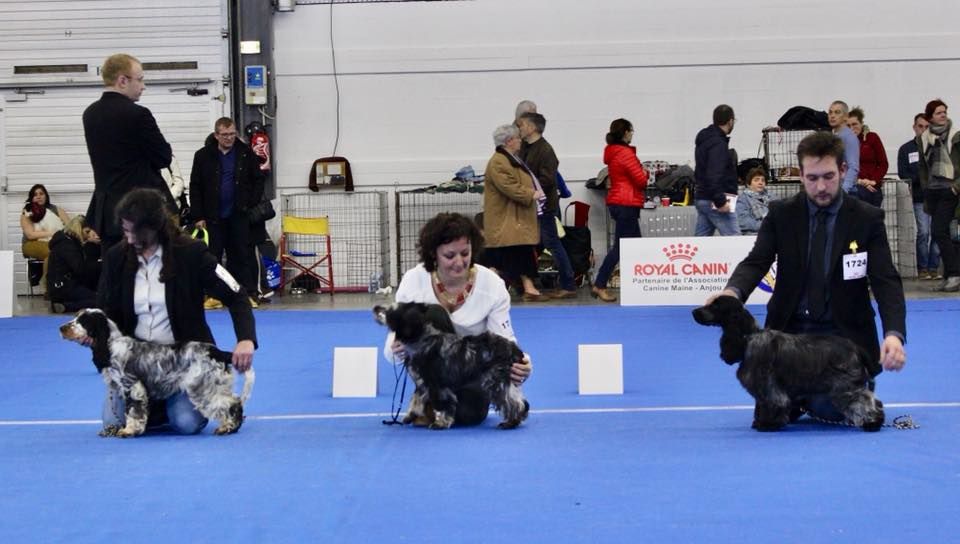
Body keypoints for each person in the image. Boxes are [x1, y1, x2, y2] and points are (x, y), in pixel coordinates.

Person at [710, 131, 906, 421]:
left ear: (843, 170)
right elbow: (756, 261)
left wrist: (894, 335)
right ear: (800, 175)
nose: (821, 186)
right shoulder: (781, 214)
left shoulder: (867, 218)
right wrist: (732, 293)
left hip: (842, 340)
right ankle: (801, 399)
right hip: (788, 338)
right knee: (774, 413)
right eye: (812, 178)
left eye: (828, 176)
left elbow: (885, 280)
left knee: (832, 409)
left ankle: (819, 398)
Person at [96, 188, 257, 434]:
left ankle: (162, 409)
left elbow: (236, 295)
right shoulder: (116, 257)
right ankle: (152, 408)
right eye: (125, 231)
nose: (128, 239)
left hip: (185, 363)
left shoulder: (192, 253)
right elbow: (105, 311)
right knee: (112, 422)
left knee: (186, 423)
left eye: (133, 232)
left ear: (152, 228)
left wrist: (245, 339)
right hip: (136, 364)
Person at [384, 212, 532, 426]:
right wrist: (397, 347)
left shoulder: (492, 285)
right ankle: (428, 394)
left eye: (465, 253)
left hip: (471, 369)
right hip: (431, 368)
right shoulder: (413, 281)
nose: (459, 262)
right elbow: (392, 344)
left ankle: (438, 403)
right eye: (449, 255)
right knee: (431, 314)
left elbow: (503, 339)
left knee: (469, 416)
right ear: (433, 254)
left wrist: (524, 364)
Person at [83, 53, 175, 248]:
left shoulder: (90, 114)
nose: (143, 86)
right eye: (140, 79)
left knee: (115, 270)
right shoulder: (138, 115)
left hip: (107, 215)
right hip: (141, 214)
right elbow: (163, 157)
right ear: (122, 81)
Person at [189, 117, 266, 307]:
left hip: (238, 215)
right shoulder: (202, 156)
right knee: (212, 257)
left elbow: (258, 180)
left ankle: (246, 294)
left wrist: (250, 203)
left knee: (240, 256)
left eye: (232, 134)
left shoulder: (246, 154)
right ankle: (213, 295)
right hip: (212, 217)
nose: (229, 138)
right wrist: (197, 215)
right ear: (216, 135)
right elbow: (195, 186)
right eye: (224, 135)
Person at [481, 124, 549, 302]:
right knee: (505, 256)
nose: (520, 140)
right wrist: (531, 194)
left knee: (518, 253)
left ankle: (527, 287)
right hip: (506, 219)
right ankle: (527, 288)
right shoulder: (498, 161)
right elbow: (508, 186)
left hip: (514, 219)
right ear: (509, 141)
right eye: (518, 138)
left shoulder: (511, 158)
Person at [518, 112, 577, 298]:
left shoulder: (545, 150)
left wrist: (526, 191)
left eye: (523, 125)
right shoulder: (525, 148)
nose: (520, 128)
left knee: (552, 244)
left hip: (544, 206)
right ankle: (528, 284)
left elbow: (547, 180)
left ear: (532, 127)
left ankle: (568, 284)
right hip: (531, 205)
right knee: (533, 244)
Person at [593, 118, 650, 302]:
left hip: (618, 202)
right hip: (627, 203)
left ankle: (642, 284)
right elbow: (641, 180)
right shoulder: (625, 153)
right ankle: (600, 284)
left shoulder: (613, 152)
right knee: (620, 248)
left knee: (637, 246)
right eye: (631, 131)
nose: (632, 134)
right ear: (625, 132)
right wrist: (646, 172)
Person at [916, 99, 960, 292]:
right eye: (938, 113)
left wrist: (956, 187)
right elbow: (923, 166)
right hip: (932, 191)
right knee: (940, 233)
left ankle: (955, 275)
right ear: (930, 117)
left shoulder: (955, 136)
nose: (943, 115)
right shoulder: (924, 138)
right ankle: (950, 274)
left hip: (949, 190)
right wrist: (926, 187)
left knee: (939, 231)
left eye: (944, 112)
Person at [898, 113, 939, 280]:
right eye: (920, 126)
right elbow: (903, 173)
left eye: (926, 127)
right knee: (923, 232)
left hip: (937, 196)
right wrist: (922, 178)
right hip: (919, 197)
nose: (923, 130)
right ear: (914, 127)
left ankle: (934, 267)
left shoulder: (937, 147)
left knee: (936, 232)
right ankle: (922, 267)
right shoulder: (906, 149)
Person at [694, 104, 741, 236]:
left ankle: (694, 257)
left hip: (702, 197)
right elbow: (714, 175)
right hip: (715, 200)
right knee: (735, 241)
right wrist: (720, 201)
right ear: (730, 121)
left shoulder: (705, 140)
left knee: (700, 243)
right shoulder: (718, 144)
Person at [20, 184, 71, 293]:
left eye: (41, 194)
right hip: (31, 243)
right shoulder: (28, 211)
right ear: (31, 198)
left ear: (46, 196)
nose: (38, 196)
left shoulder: (55, 209)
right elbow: (30, 235)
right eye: (35, 194)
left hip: (55, 242)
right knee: (53, 252)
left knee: (65, 252)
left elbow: (69, 227)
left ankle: (65, 286)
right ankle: (49, 288)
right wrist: (52, 233)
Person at [47, 215, 101, 314]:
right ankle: (66, 306)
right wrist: (100, 265)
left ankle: (64, 304)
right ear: (79, 229)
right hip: (64, 286)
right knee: (101, 300)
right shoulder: (68, 245)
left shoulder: (65, 241)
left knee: (95, 297)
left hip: (61, 285)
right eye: (87, 232)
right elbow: (80, 268)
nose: (88, 235)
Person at [846, 107, 888, 207]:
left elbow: (883, 164)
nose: (851, 128)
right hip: (855, 188)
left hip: (873, 188)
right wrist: (860, 181)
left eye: (854, 124)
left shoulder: (872, 138)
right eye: (848, 125)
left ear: (861, 123)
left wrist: (873, 181)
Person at [827, 100, 861, 197]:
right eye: (830, 112)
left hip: (846, 193)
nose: (832, 115)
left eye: (837, 112)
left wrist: (843, 191)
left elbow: (853, 167)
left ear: (846, 117)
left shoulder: (849, 137)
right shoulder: (835, 136)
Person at [735, 167, 770, 234]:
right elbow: (743, 222)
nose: (760, 182)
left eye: (763, 180)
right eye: (756, 180)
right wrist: (766, 225)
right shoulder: (742, 200)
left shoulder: (771, 197)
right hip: (752, 235)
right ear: (749, 184)